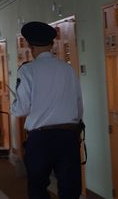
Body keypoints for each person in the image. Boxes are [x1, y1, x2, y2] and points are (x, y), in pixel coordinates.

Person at [11, 21, 84, 199]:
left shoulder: (27, 71)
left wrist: (13, 103)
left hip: (40, 139)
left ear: (30, 46)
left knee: (38, 186)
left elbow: (21, 109)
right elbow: (78, 103)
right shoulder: (67, 69)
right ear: (52, 44)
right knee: (70, 187)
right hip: (68, 135)